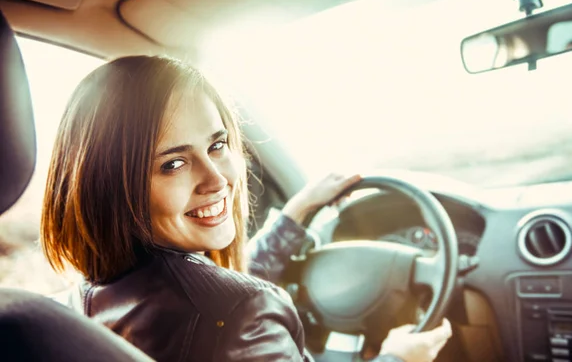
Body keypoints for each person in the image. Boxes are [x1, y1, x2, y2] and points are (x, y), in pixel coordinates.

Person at [40, 55, 451, 361]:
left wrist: (295, 215)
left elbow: (209, 298)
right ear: (109, 185)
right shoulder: (245, 315)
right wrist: (398, 358)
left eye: (218, 146)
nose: (217, 180)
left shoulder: (88, 298)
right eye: (174, 164)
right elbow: (226, 307)